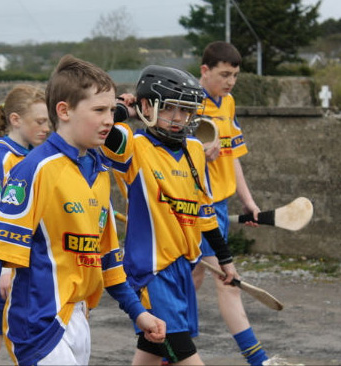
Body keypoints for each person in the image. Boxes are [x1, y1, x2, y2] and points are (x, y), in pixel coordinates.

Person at [0, 55, 166, 366]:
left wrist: (138, 313)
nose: (110, 119)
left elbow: (107, 258)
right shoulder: (36, 168)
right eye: (99, 110)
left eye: (112, 110)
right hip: (37, 322)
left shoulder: (99, 171)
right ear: (64, 111)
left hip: (80, 318)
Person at [101, 65, 238, 365]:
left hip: (182, 269)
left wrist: (225, 260)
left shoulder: (194, 149)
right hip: (152, 272)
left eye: (185, 110)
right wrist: (125, 109)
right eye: (170, 108)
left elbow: (205, 212)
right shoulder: (134, 147)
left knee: (151, 352)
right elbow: (105, 130)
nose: (178, 118)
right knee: (183, 354)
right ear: (147, 105)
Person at [192, 41, 291, 366]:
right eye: (224, 74)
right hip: (195, 207)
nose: (230, 80)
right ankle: (256, 359)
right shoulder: (188, 103)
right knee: (214, 280)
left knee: (206, 279)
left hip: (219, 205)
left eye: (234, 74)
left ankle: (168, 347)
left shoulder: (228, 102)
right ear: (205, 70)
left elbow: (232, 157)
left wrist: (248, 202)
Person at [0, 84, 51, 356]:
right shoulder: (3, 160)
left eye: (48, 122)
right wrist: (4, 270)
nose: (46, 128)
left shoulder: (31, 158)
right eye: (40, 121)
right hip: (2, 271)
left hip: (25, 271)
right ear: (16, 120)